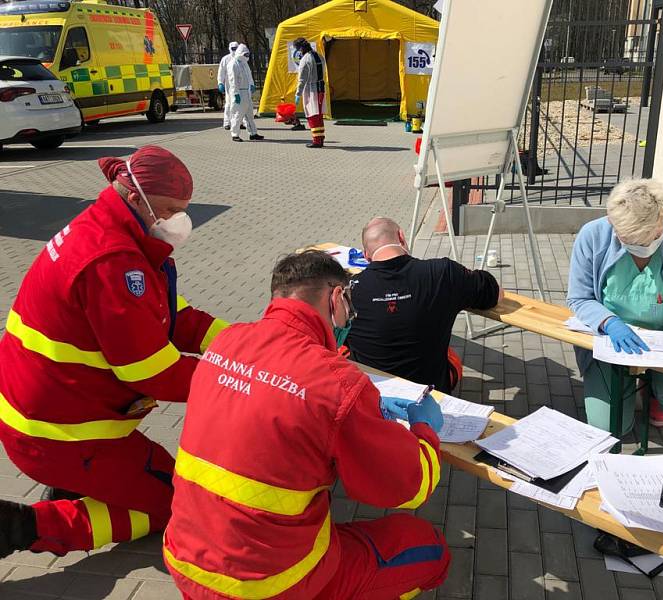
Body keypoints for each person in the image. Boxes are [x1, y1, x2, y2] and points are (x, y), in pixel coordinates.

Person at [163, 250, 450, 600]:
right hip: (271, 585)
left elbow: (271, 395)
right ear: (336, 297)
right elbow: (410, 487)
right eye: (348, 304)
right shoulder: (335, 383)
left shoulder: (226, 341)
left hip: (186, 562)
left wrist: (359, 405)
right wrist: (425, 428)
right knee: (429, 549)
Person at [0, 146, 230, 559]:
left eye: (183, 209)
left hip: (52, 414)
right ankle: (22, 526)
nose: (178, 221)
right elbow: (152, 372)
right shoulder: (112, 261)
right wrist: (235, 380)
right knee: (174, 504)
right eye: (169, 209)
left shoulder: (116, 233)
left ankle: (75, 489)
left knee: (160, 487)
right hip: (62, 434)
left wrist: (244, 342)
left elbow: (171, 317)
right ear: (134, 197)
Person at [567, 178, 663, 431]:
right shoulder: (592, 235)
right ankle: (623, 385)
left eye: (651, 237)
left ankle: (658, 393)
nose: (643, 247)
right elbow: (579, 297)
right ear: (612, 224)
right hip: (610, 340)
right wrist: (609, 323)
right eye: (632, 240)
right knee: (610, 428)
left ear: (662, 220)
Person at [345, 218, 503, 394]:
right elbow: (494, 293)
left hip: (374, 394)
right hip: (429, 392)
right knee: (450, 355)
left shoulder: (348, 291)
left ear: (366, 255)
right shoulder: (443, 272)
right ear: (401, 237)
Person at [293, 37, 326, 148]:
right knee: (319, 115)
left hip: (311, 91)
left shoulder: (305, 60)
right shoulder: (319, 56)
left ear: (300, 49)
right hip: (321, 88)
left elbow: (302, 79)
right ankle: (320, 138)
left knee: (312, 115)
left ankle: (317, 140)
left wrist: (298, 94)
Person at [227, 44, 263, 142]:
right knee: (237, 115)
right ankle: (235, 134)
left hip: (246, 92)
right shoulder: (233, 64)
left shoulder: (244, 63)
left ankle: (253, 133)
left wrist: (251, 84)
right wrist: (235, 93)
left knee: (249, 115)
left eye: (247, 54)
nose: (247, 56)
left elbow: (249, 75)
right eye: (245, 54)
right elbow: (232, 80)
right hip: (239, 92)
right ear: (240, 53)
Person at [217, 41, 238, 130]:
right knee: (229, 104)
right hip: (229, 85)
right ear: (230, 49)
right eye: (233, 49)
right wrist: (220, 82)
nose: (234, 50)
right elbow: (221, 72)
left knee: (240, 105)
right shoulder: (225, 59)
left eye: (236, 48)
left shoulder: (241, 59)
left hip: (239, 85)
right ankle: (227, 122)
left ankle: (239, 122)